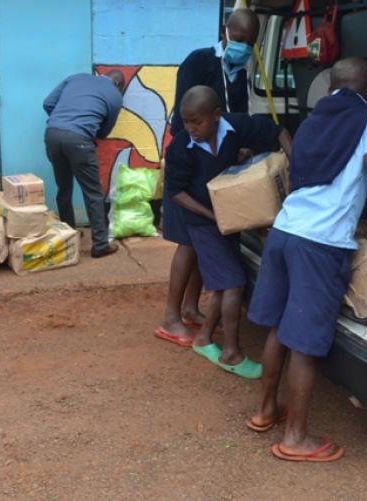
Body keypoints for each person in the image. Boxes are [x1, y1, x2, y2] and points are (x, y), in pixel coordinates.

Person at [246, 58, 367, 462]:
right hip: (321, 243)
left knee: (279, 327)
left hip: (285, 230)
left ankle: (265, 412)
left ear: (331, 85)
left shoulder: (313, 119)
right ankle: (295, 438)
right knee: (306, 343)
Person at [164, 86, 292, 378]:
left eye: (198, 122)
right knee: (233, 283)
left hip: (228, 219)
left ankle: (204, 338)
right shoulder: (181, 147)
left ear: (217, 116)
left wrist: (296, 165)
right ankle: (231, 352)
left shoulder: (235, 126)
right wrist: (213, 216)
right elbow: (176, 192)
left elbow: (277, 130)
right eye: (186, 122)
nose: (192, 129)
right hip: (201, 221)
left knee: (227, 282)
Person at [156, 7, 261, 346]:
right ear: (225, 31)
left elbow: (238, 119)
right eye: (239, 39)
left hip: (219, 167)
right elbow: (183, 116)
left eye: (250, 42)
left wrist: (239, 148)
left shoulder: (239, 72)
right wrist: (190, 154)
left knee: (206, 243)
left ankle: (190, 307)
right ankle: (171, 317)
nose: (243, 47)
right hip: (192, 165)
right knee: (188, 241)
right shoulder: (198, 61)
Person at [43, 70, 125, 258]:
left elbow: (47, 103)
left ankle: (68, 235)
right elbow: (104, 132)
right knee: (93, 193)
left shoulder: (76, 77)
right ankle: (101, 244)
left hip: (52, 134)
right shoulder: (115, 96)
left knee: (64, 188)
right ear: (119, 85)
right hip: (79, 140)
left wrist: (62, 121)